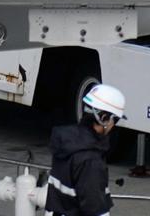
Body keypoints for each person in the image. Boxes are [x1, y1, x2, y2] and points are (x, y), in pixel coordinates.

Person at [47, 83, 122, 216]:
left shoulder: (68, 142)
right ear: (104, 118)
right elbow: (94, 208)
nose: (113, 126)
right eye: (115, 120)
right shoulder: (90, 161)